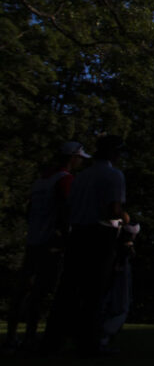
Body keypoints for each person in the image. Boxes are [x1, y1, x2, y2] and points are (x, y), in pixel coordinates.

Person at [43, 135, 129, 355]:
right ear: (112, 153)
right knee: (95, 290)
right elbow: (113, 209)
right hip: (100, 234)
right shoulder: (113, 175)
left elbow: (68, 208)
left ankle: (53, 340)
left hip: (78, 233)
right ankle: (89, 341)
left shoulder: (81, 177)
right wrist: (127, 219)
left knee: (69, 288)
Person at [3, 142, 88, 351]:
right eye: (79, 158)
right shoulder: (65, 179)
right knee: (40, 291)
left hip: (34, 238)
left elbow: (30, 209)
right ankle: (30, 336)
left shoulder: (41, 180)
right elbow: (66, 209)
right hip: (50, 241)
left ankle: (12, 335)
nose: (80, 162)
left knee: (23, 289)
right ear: (72, 157)